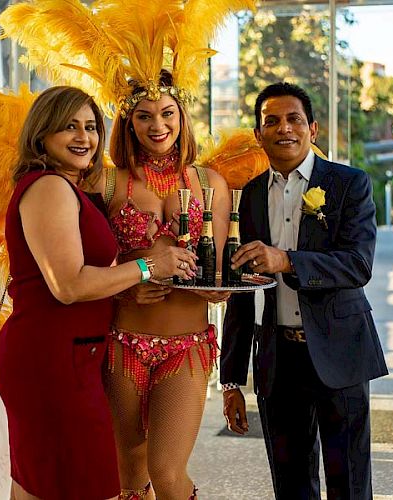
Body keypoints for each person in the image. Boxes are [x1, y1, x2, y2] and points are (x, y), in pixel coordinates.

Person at [0, 85, 197, 500]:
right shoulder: (48, 187)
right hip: (52, 360)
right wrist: (148, 267)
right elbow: (69, 285)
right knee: (86, 484)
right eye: (69, 127)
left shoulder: (64, 186)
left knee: (40, 483)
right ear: (41, 134)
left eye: (90, 127)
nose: (84, 137)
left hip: (68, 355)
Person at [220, 82, 388, 499]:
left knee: (349, 482)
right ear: (258, 135)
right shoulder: (252, 194)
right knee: (291, 483)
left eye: (294, 119)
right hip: (279, 361)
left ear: (312, 128)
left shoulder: (350, 184)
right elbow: (242, 290)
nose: (284, 129)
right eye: (271, 121)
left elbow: (358, 264)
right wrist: (231, 380)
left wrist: (288, 261)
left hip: (341, 353)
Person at [90, 69, 230, 500]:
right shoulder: (105, 181)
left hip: (186, 346)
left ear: (182, 117)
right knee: (129, 476)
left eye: (167, 113)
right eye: (145, 116)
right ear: (128, 123)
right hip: (122, 343)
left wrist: (219, 288)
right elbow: (84, 266)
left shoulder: (211, 183)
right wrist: (124, 285)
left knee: (167, 473)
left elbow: (217, 271)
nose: (158, 126)